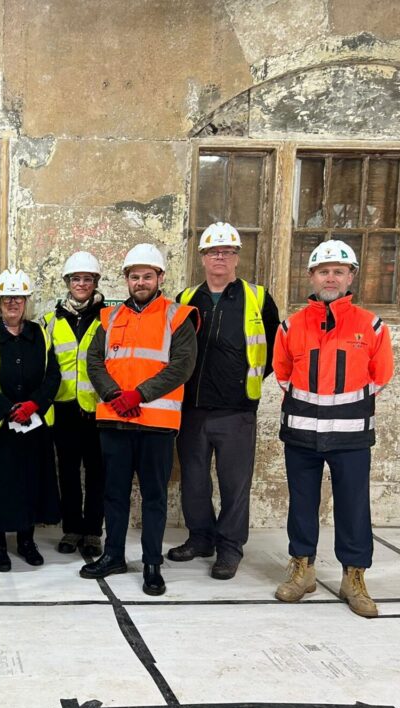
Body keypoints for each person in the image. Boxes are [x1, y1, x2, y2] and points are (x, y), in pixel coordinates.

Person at [273, 240, 393, 618]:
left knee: (354, 506)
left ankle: (353, 578)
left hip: (352, 436)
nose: (330, 277)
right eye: (323, 271)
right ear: (311, 276)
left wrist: (345, 406)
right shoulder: (291, 324)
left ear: (350, 276)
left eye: (338, 271)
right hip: (301, 434)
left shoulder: (371, 325)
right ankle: (302, 570)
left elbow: (381, 375)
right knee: (302, 504)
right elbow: (282, 372)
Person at [79, 244, 197, 596]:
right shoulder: (110, 317)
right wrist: (116, 396)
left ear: (160, 277)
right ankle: (113, 554)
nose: (140, 281)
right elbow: (94, 361)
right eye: (134, 276)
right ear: (127, 280)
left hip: (156, 425)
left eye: (147, 275)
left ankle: (151, 565)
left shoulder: (178, 316)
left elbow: (182, 366)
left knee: (154, 497)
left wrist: (138, 395)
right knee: (113, 494)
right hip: (114, 422)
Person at [167, 222, 280, 580]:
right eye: (213, 251)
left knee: (235, 483)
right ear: (202, 257)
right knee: (195, 480)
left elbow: (275, 351)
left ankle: (229, 549)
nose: (220, 256)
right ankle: (200, 538)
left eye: (227, 251)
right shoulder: (185, 300)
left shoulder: (258, 298)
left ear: (236, 257)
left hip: (236, 410)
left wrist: (241, 383)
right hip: (193, 409)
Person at [0, 269, 61, 572]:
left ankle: (26, 541)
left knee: (28, 483)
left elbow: (53, 375)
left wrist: (34, 404)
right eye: (7, 298)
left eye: (18, 297)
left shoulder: (40, 334)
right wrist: (7, 409)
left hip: (32, 425)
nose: (13, 303)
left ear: (26, 301)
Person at [42, 251, 107, 558]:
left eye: (88, 279)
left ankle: (93, 532)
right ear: (67, 282)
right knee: (67, 473)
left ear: (95, 282)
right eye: (76, 279)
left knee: (97, 474)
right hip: (64, 409)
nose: (81, 284)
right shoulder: (50, 321)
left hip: (98, 409)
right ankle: (72, 529)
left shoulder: (109, 318)